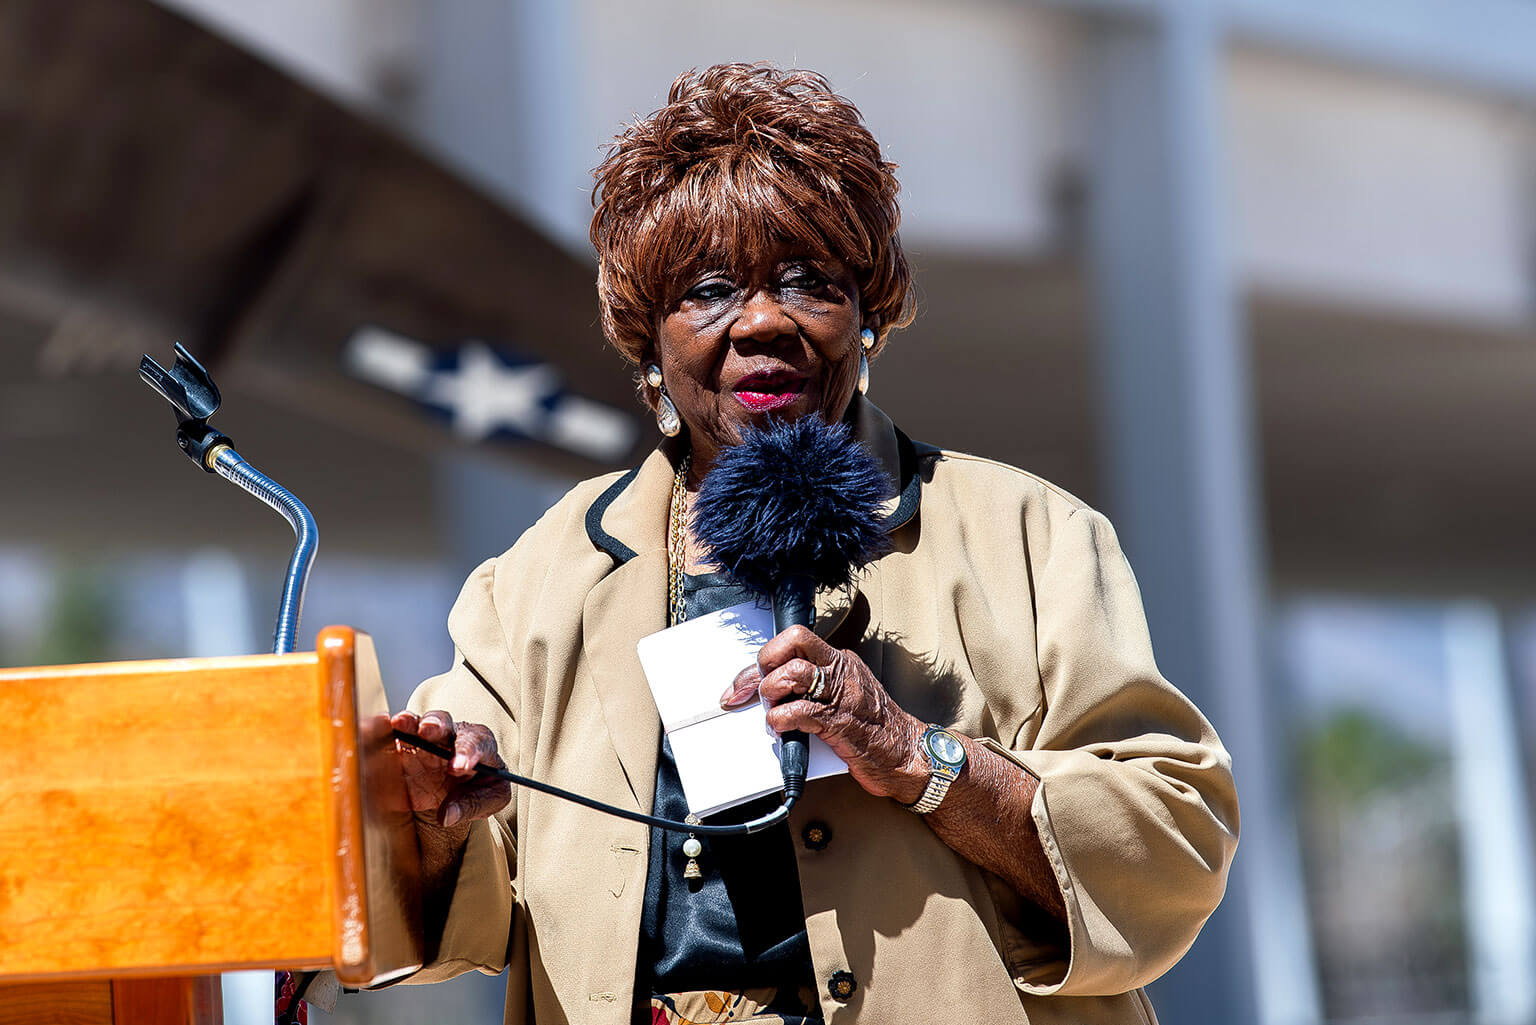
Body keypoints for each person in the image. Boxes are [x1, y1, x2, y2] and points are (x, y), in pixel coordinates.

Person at [389, 63, 1238, 1025]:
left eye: (808, 282)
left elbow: (1172, 837)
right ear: (647, 343)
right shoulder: (540, 577)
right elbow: (438, 886)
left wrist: (921, 757)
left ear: (867, 314)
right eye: (709, 289)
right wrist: (427, 815)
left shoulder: (1032, 535)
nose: (763, 321)